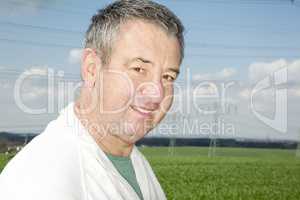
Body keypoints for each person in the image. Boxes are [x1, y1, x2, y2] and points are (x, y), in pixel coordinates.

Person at [0, 0, 184, 199]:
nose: (156, 93)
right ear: (92, 68)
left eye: (168, 77)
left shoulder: (132, 160)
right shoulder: (41, 180)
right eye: (139, 69)